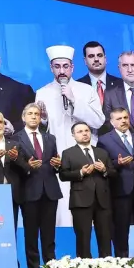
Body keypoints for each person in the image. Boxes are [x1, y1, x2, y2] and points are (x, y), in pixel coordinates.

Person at [35, 45, 105, 225]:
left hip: (85, 157)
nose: (61, 71)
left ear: (72, 67)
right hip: (58, 156)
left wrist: (74, 100)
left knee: (87, 208)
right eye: (57, 67)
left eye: (65, 66)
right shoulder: (42, 93)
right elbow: (40, 130)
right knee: (62, 210)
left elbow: (98, 121)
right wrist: (43, 120)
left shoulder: (86, 90)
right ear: (51, 68)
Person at [97, 107, 134, 268]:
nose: (123, 121)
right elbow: (104, 166)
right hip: (120, 190)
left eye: (125, 117)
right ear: (112, 122)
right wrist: (118, 163)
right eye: (119, 119)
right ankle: (122, 267)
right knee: (121, 230)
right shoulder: (104, 140)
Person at [12, 103, 61, 268]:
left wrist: (57, 165)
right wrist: (27, 166)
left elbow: (54, 162)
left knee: (49, 234)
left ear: (40, 118)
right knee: (31, 235)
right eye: (30, 114)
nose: (34, 116)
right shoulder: (15, 138)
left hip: (50, 190)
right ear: (23, 117)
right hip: (29, 191)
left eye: (37, 114)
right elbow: (14, 166)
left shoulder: (50, 138)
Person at [60, 121, 114, 258]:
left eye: (87, 131)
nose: (84, 134)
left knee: (105, 236)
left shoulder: (102, 152)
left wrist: (104, 170)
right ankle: (85, 266)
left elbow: (113, 173)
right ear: (73, 135)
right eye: (80, 131)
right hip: (80, 201)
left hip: (103, 201)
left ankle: (107, 265)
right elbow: (63, 175)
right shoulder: (68, 153)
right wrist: (81, 172)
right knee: (83, 237)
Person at [78, 41, 123, 114]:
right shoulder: (78, 86)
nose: (96, 59)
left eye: (99, 55)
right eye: (91, 56)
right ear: (85, 61)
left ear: (105, 59)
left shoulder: (120, 84)